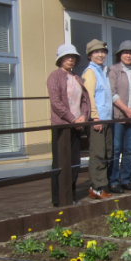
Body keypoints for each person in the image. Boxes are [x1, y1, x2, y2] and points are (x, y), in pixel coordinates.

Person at [47, 43, 91, 206]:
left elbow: (85, 100)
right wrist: (72, 119)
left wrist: (82, 117)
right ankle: (59, 199)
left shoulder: (77, 77)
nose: (70, 59)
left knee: (74, 163)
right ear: (60, 59)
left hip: (77, 126)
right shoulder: (54, 76)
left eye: (73, 57)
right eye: (67, 56)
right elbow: (56, 102)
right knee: (60, 163)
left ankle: (71, 195)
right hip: (62, 125)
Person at [108, 40, 131, 193]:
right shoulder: (113, 70)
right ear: (120, 55)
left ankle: (126, 179)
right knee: (116, 149)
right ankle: (113, 181)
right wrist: (126, 110)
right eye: (125, 52)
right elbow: (112, 92)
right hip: (118, 117)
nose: (128, 55)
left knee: (129, 150)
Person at [81, 39, 113, 200]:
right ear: (90, 55)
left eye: (102, 52)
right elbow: (89, 98)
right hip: (98, 120)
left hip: (107, 119)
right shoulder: (90, 72)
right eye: (96, 52)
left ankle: (101, 186)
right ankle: (97, 187)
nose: (100, 55)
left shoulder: (102, 71)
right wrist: (95, 117)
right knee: (98, 153)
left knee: (107, 152)